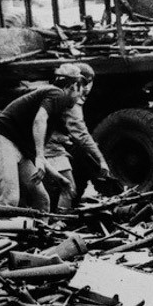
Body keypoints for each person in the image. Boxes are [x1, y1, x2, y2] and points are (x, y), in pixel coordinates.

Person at [0, 63, 83, 210]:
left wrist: (59, 178)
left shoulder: (55, 101)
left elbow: (36, 154)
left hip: (19, 147)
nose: (81, 98)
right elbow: (39, 119)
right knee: (9, 200)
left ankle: (39, 232)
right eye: (81, 92)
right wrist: (40, 156)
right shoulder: (57, 94)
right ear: (74, 86)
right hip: (2, 140)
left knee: (42, 201)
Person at [44, 62, 117, 210]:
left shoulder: (53, 91)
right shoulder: (71, 98)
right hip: (50, 145)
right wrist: (101, 160)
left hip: (48, 142)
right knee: (68, 189)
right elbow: (80, 133)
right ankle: (58, 220)